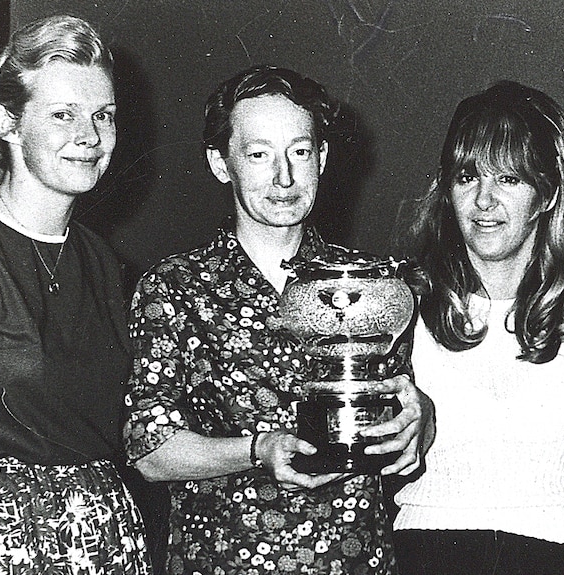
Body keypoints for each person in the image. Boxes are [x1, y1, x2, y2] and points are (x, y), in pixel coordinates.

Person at [122, 64, 431, 575]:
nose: (284, 177)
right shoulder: (174, 287)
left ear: (322, 159)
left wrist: (422, 419)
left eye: (300, 152)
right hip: (222, 560)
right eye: (259, 153)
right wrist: (258, 449)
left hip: (353, 559)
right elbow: (149, 450)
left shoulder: (371, 285)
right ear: (222, 164)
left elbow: (403, 406)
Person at [0, 15, 151, 574]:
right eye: (63, 115)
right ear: (8, 123)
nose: (89, 136)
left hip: (108, 535)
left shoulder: (102, 262)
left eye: (103, 115)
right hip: (1, 542)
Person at [391, 81, 564, 575]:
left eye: (509, 179)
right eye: (468, 176)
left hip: (562, 553)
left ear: (548, 194)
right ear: (447, 189)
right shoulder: (401, 306)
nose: (484, 201)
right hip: (427, 551)